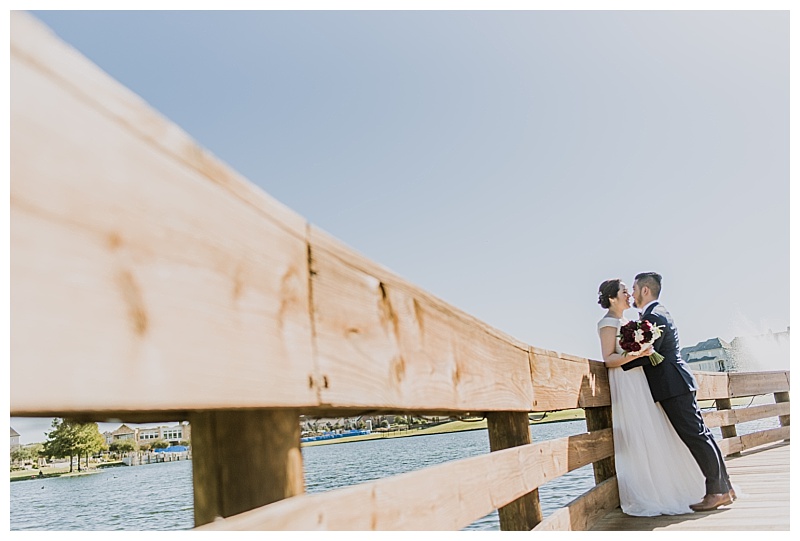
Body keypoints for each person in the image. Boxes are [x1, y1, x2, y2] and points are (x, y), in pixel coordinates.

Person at [620, 272, 735, 511]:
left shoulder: (655, 315)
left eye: (634, 288)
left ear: (645, 291)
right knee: (701, 435)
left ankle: (717, 491)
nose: (631, 293)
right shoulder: (657, 313)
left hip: (673, 384)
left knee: (696, 437)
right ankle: (725, 488)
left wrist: (617, 363)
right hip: (676, 383)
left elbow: (650, 352)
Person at [597, 278, 705, 516]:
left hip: (641, 380)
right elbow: (608, 359)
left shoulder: (630, 322)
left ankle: (667, 485)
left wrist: (642, 352)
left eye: (629, 290)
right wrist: (637, 355)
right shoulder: (607, 323)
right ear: (613, 298)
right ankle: (647, 490)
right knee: (639, 432)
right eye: (624, 291)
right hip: (625, 382)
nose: (629, 294)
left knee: (654, 429)